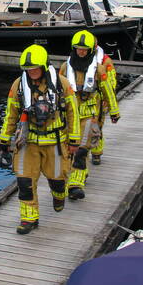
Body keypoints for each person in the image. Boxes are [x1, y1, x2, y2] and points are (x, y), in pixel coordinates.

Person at [0, 44, 80, 234]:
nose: (32, 72)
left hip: (56, 143)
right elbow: (11, 115)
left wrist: (74, 140)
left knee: (58, 179)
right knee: (24, 182)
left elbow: (72, 113)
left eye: (35, 67)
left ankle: (59, 195)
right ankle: (29, 219)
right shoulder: (18, 86)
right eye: (28, 69)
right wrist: (4, 139)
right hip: (28, 143)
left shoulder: (62, 84)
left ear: (44, 65)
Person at [60, 31, 120, 200]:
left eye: (84, 49)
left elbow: (108, 89)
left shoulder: (99, 68)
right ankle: (78, 175)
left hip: (90, 113)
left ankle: (75, 185)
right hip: (71, 115)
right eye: (78, 49)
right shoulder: (66, 68)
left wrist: (114, 111)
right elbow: (58, 91)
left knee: (81, 150)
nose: (81, 52)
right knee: (69, 149)